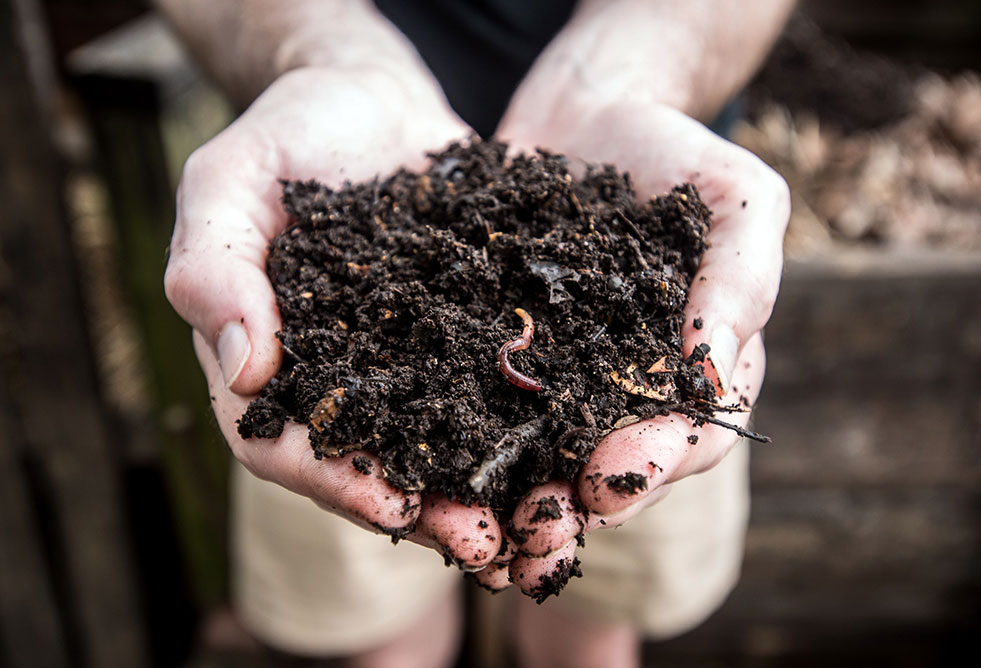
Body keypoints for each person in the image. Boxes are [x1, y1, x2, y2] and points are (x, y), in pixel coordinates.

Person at [158, 1, 793, 666]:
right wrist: (319, 48)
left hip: (650, 185)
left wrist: (636, 65)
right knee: (378, 629)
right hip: (322, 181)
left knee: (596, 622)